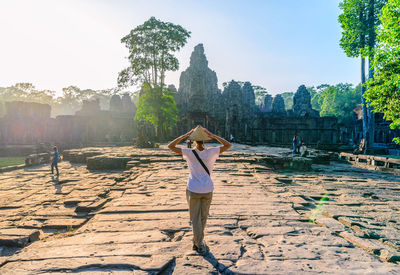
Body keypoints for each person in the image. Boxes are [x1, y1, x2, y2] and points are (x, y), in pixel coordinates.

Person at [167, 126, 232, 254]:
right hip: (207, 189)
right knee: (203, 217)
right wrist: (214, 135)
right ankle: (198, 241)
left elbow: (170, 146)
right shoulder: (212, 151)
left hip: (193, 189)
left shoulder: (189, 152)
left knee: (195, 218)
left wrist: (184, 136)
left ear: (194, 141)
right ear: (205, 141)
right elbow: (228, 145)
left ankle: (199, 243)